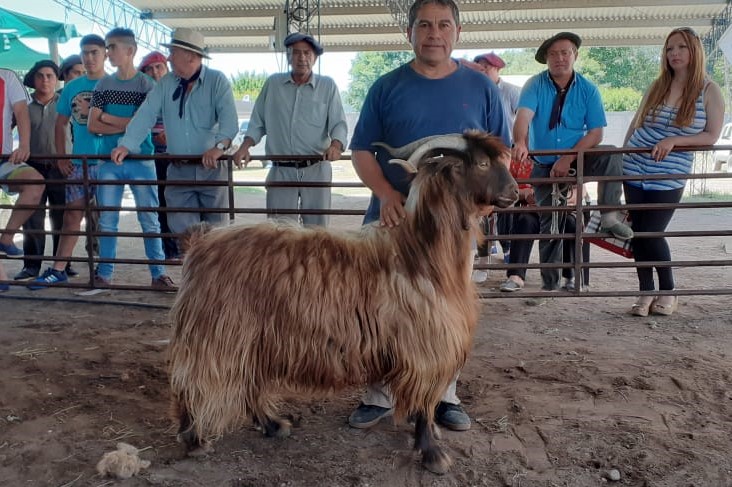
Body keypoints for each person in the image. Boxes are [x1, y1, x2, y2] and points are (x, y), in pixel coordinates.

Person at [347, 0, 510, 432]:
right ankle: (379, 394)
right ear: (410, 34)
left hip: (454, 232)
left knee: (446, 313)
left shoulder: (482, 89)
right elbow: (362, 149)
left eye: (442, 25)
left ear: (457, 32)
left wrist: (483, 204)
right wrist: (385, 193)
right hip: (393, 223)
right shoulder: (386, 87)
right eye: (424, 25)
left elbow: (499, 154)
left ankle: (443, 395)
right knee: (382, 310)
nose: (433, 33)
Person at [512, 31, 633, 298]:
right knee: (551, 222)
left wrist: (568, 158)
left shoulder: (588, 89)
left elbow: (596, 133)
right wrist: (520, 142)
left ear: (575, 55)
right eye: (553, 54)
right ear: (546, 59)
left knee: (611, 153)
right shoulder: (534, 85)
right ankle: (549, 284)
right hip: (544, 164)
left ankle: (610, 216)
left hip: (578, 158)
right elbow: (523, 118)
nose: (559, 58)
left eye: (565, 52)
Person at [622, 27, 724, 317]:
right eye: (669, 49)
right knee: (638, 233)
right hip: (633, 167)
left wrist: (675, 140)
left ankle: (667, 290)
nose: (674, 54)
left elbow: (711, 135)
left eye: (681, 47)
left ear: (694, 52)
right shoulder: (657, 85)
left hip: (669, 174)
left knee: (652, 232)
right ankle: (645, 291)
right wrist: (623, 156)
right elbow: (636, 124)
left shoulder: (708, 90)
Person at [62, 28, 172, 289]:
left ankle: (158, 273)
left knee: (149, 219)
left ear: (130, 51)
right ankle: (105, 274)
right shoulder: (104, 84)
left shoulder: (147, 85)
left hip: (140, 159)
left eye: (112, 47)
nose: (108, 52)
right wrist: (130, 124)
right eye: (108, 47)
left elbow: (144, 124)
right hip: (110, 161)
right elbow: (91, 125)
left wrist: (108, 119)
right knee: (108, 219)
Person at [112, 28, 238, 235]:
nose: (169, 58)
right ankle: (191, 265)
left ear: (190, 56)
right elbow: (146, 114)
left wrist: (219, 147)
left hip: (212, 170)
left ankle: (212, 267)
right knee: (183, 232)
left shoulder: (217, 81)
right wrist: (127, 144)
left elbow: (229, 122)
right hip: (178, 168)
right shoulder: (166, 83)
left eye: (173, 52)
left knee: (217, 233)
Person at [232, 32, 347, 227]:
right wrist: (245, 146)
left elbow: (339, 123)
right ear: (288, 56)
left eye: (307, 53)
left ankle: (316, 259)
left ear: (315, 58)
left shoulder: (327, 86)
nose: (302, 58)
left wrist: (336, 144)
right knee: (279, 232)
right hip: (281, 169)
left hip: (316, 168)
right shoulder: (273, 84)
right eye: (297, 53)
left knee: (317, 231)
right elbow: (257, 121)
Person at [30, 35, 108, 288]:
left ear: (105, 53)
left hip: (109, 161)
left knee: (108, 218)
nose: (89, 57)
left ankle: (106, 271)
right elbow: (61, 122)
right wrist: (63, 156)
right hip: (81, 160)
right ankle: (58, 268)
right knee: (72, 214)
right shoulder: (73, 87)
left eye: (94, 52)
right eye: (85, 52)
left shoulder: (116, 84)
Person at [14, 60, 77, 281]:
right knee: (32, 217)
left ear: (56, 78)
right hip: (33, 166)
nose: (45, 80)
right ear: (33, 80)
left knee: (62, 216)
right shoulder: (22, 108)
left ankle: (62, 264)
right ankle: (31, 266)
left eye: (50, 75)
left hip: (62, 167)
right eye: (40, 76)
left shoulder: (66, 104)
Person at [473, 51, 522, 268]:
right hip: (479, 155)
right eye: (480, 66)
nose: (483, 70)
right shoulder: (473, 90)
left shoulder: (511, 91)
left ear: (497, 69)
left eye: (487, 67)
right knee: (479, 203)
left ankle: (508, 247)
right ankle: (484, 251)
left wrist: (521, 144)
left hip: (505, 152)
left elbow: (523, 119)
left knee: (504, 200)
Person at [0, 66, 45, 285]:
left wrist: (24, 144)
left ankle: (7, 237)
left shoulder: (6, 76)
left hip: (4, 159)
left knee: (35, 183)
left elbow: (21, 111)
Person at [138, 50, 178, 259]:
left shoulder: (179, 89)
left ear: (167, 68)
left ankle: (180, 246)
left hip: (177, 155)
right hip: (153, 156)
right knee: (159, 202)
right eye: (149, 69)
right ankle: (167, 248)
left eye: (158, 67)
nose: (154, 72)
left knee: (179, 201)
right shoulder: (141, 94)